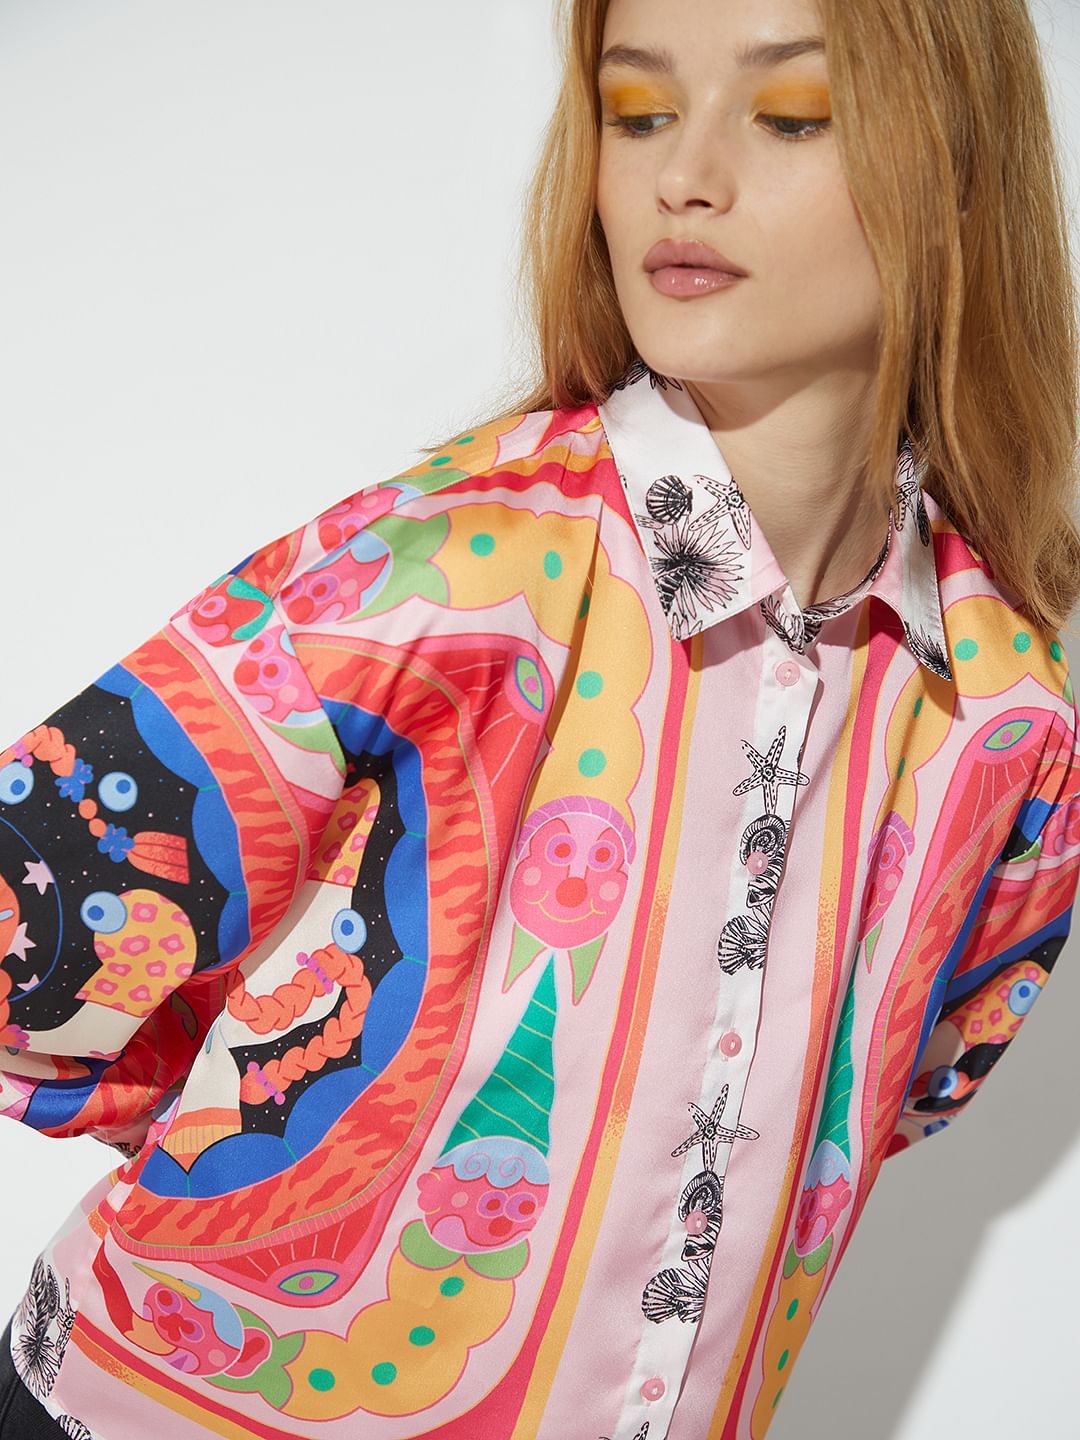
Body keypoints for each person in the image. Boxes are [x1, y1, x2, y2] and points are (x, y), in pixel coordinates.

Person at [1, 0, 1078, 1435]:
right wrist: (283, 1129)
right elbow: (33, 924)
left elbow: (909, 1092)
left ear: (959, 173)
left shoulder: (1006, 718)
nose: (684, 175)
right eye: (639, 113)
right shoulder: (452, 568)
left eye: (792, 115)